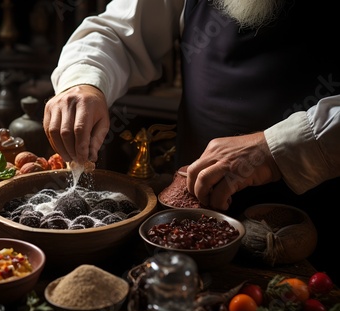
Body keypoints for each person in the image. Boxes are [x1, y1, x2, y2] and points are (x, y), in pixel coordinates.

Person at [43, 0, 340, 280]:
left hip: (318, 228)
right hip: (190, 226)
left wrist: (278, 147)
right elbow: (118, 33)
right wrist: (85, 83)